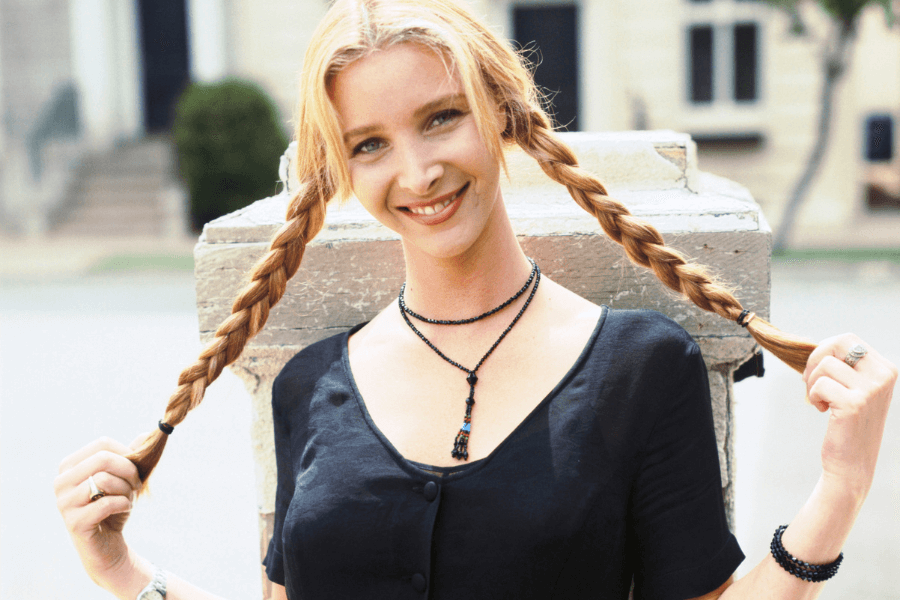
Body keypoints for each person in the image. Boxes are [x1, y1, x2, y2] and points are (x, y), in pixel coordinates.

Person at [54, 1, 897, 599]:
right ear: (343, 170)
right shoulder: (309, 387)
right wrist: (124, 576)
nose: (417, 172)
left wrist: (841, 487)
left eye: (441, 118)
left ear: (499, 113)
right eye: (371, 144)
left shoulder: (640, 369)